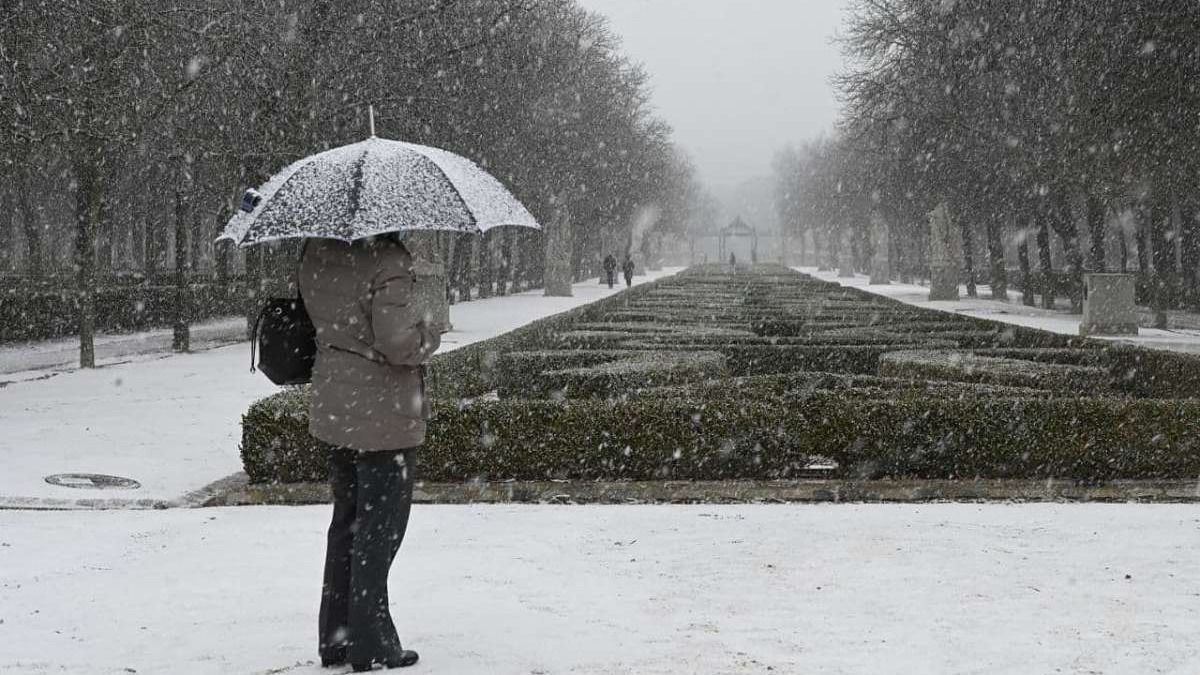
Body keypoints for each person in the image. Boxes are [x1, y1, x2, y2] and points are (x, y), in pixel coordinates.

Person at [298, 234, 441, 672]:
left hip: (337, 406)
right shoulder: (388, 259)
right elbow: (397, 343)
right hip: (382, 413)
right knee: (379, 531)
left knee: (346, 524)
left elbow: (320, 314)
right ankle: (372, 642)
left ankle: (336, 637)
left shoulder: (317, 248)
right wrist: (429, 335)